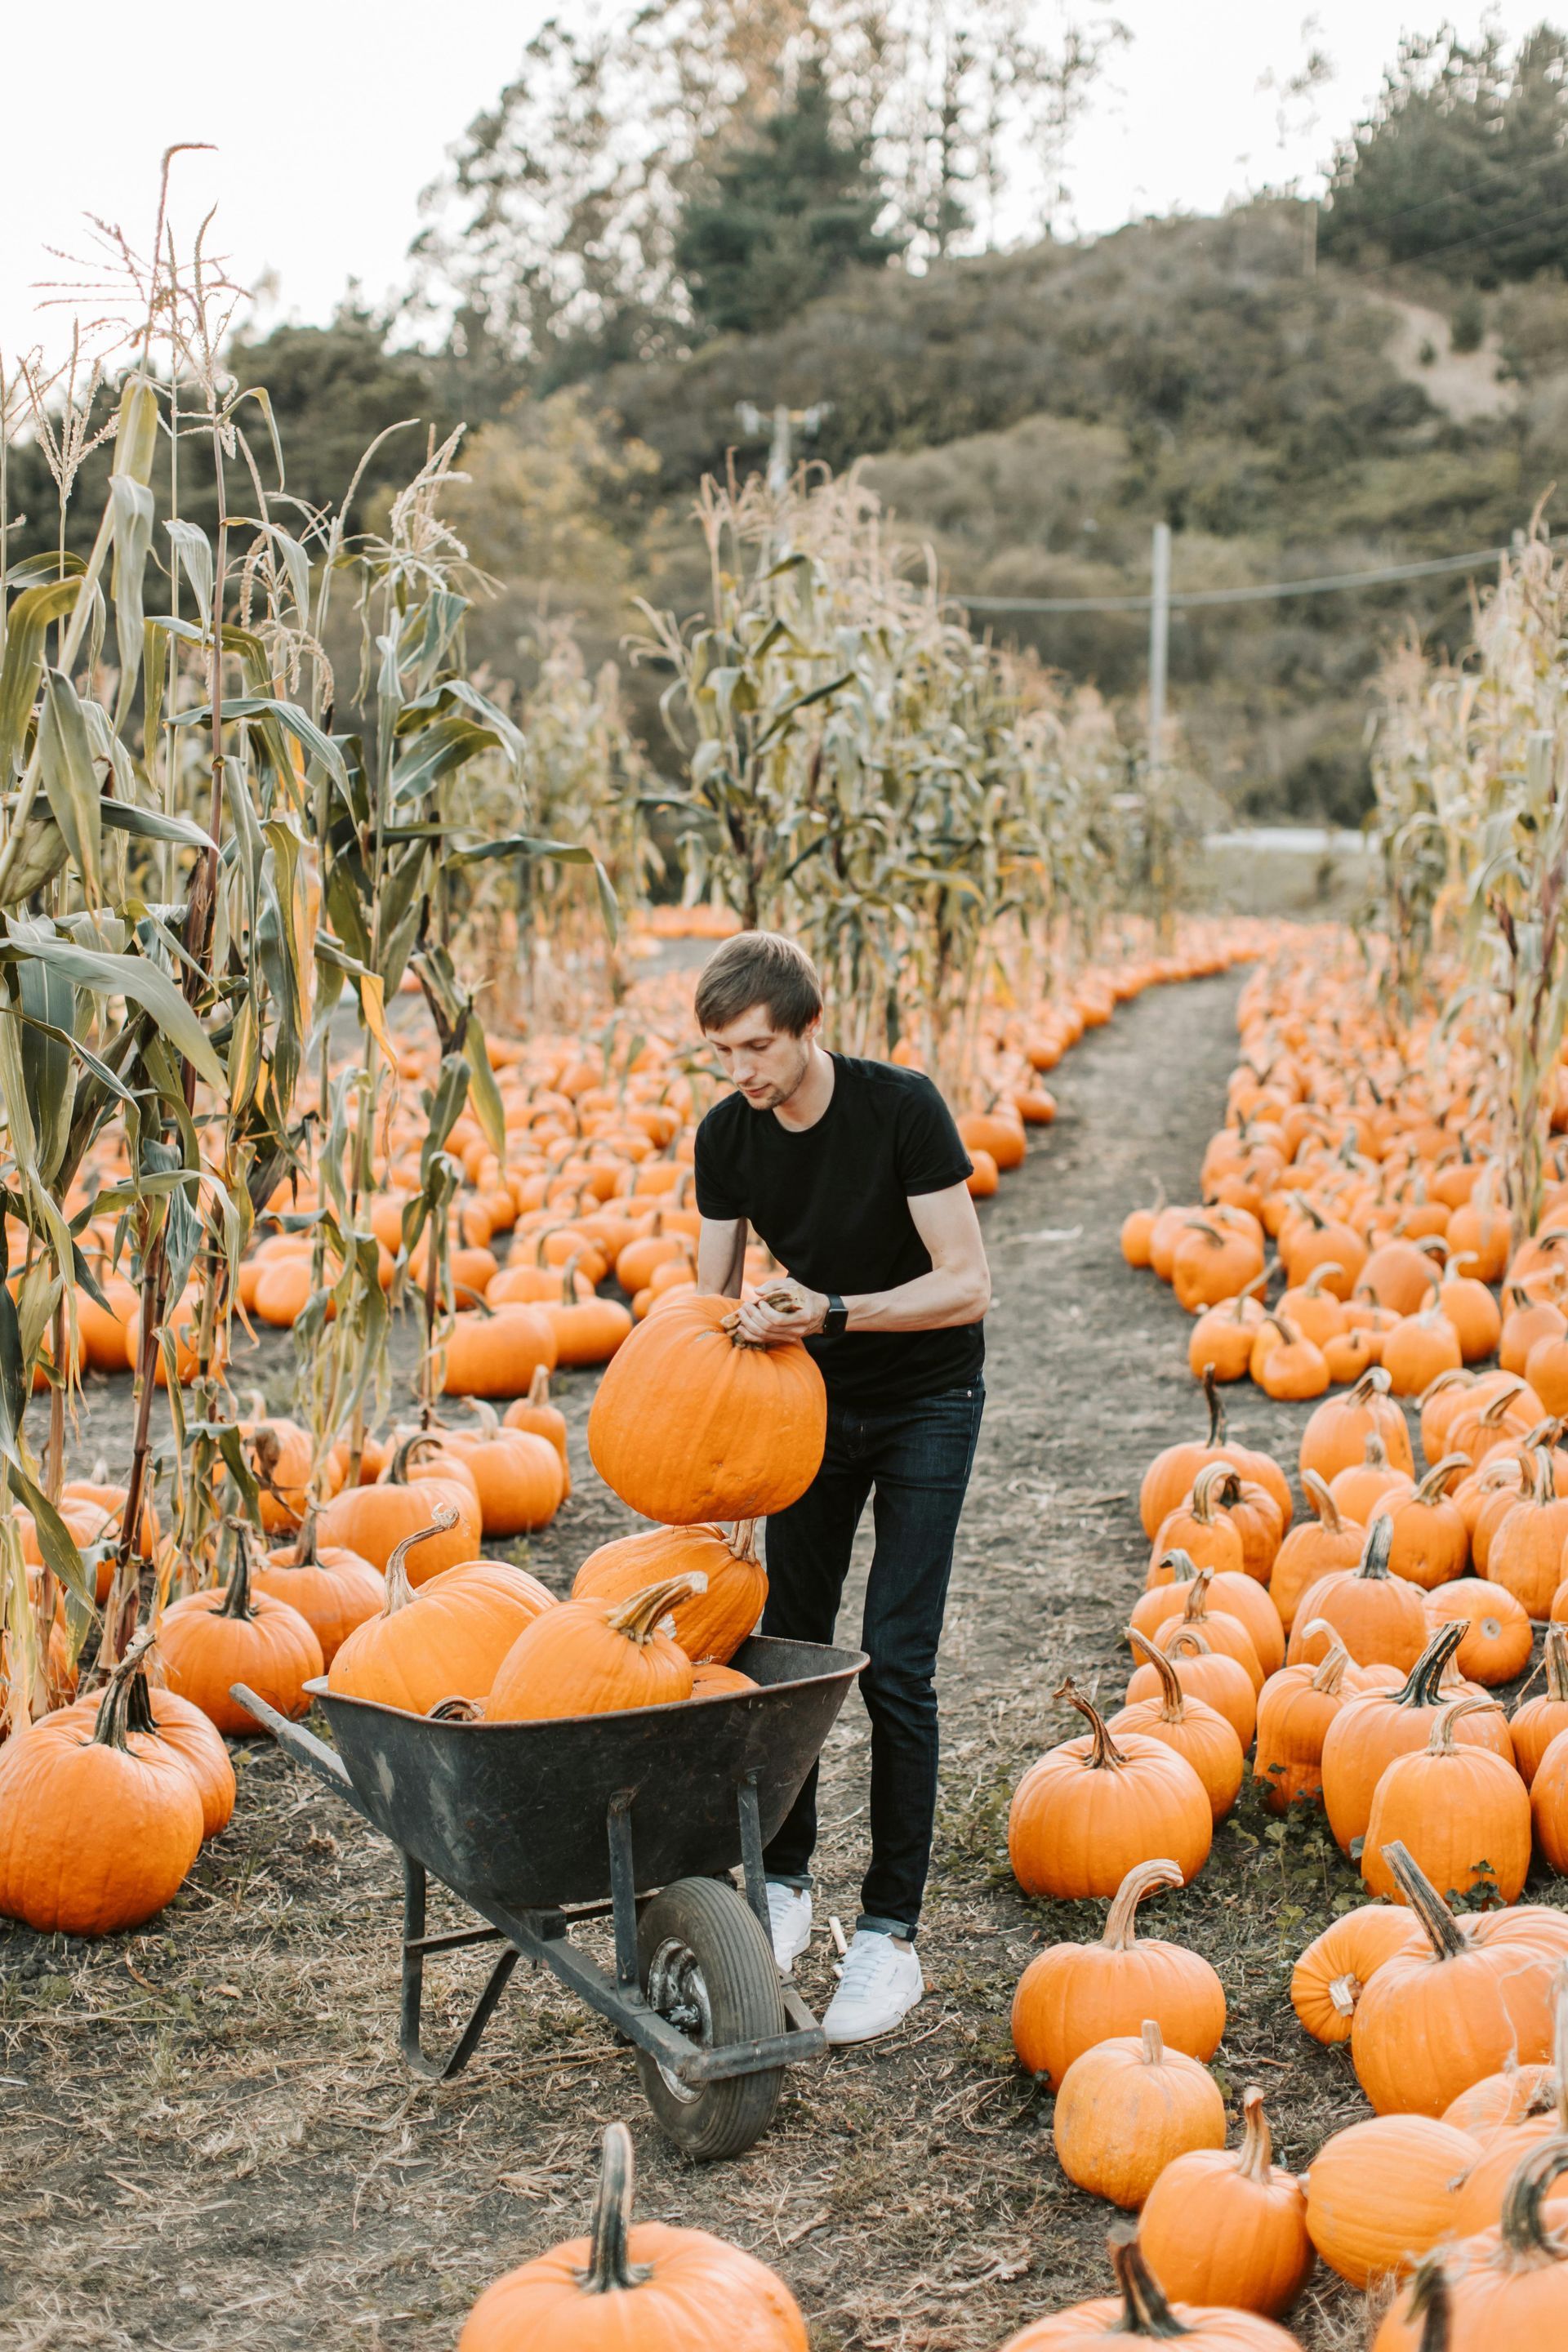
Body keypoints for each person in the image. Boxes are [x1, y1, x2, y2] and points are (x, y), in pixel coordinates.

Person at [692, 930, 991, 2045]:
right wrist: (750, 1325)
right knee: (791, 1649)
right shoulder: (729, 1134)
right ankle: (783, 1884)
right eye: (723, 1053)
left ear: (809, 1027)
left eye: (758, 1047)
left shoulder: (901, 1109)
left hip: (925, 1403)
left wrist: (835, 1311)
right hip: (805, 1410)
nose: (743, 1073)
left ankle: (890, 1935)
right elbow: (708, 1297)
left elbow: (966, 1284)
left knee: (896, 1665)